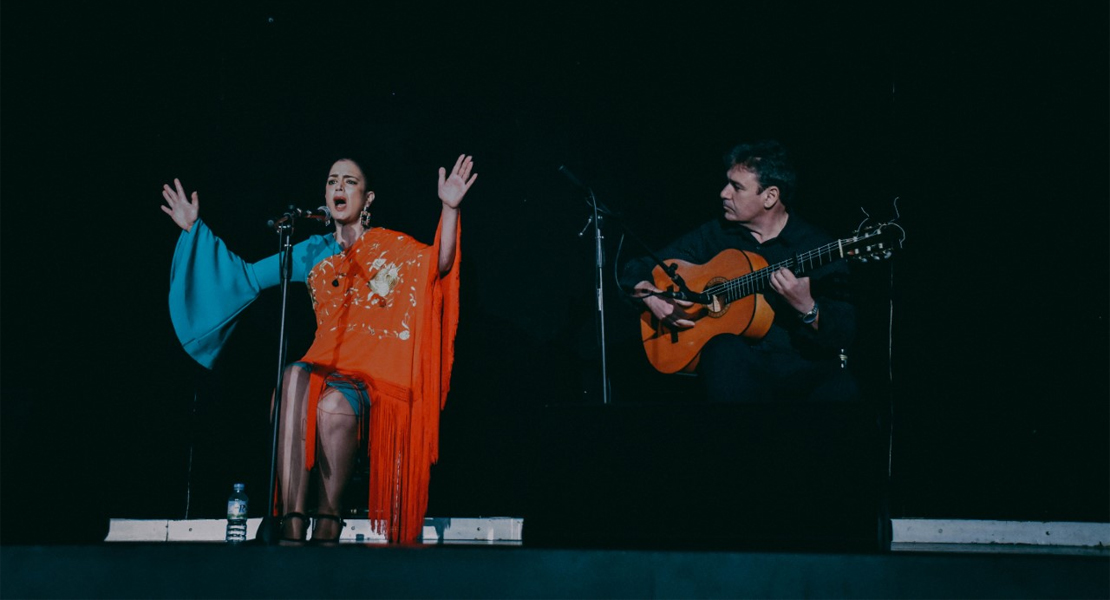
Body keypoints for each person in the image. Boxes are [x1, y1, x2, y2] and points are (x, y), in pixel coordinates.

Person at [162, 155, 477, 543]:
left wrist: (450, 207)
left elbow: (439, 263)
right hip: (322, 366)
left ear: (368, 197)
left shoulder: (391, 247)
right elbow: (245, 275)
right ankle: (292, 521)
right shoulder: (310, 251)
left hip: (370, 378)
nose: (339, 188)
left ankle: (328, 521)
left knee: (332, 406)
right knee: (293, 376)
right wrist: (195, 228)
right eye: (332, 181)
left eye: (349, 181)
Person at [620, 140, 857, 403]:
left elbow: (843, 333)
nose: (723, 193)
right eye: (727, 183)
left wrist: (806, 306)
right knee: (724, 349)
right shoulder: (716, 234)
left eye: (737, 187)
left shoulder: (815, 246)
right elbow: (638, 267)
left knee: (840, 387)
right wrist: (653, 297)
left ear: (770, 196)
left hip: (797, 368)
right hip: (736, 370)